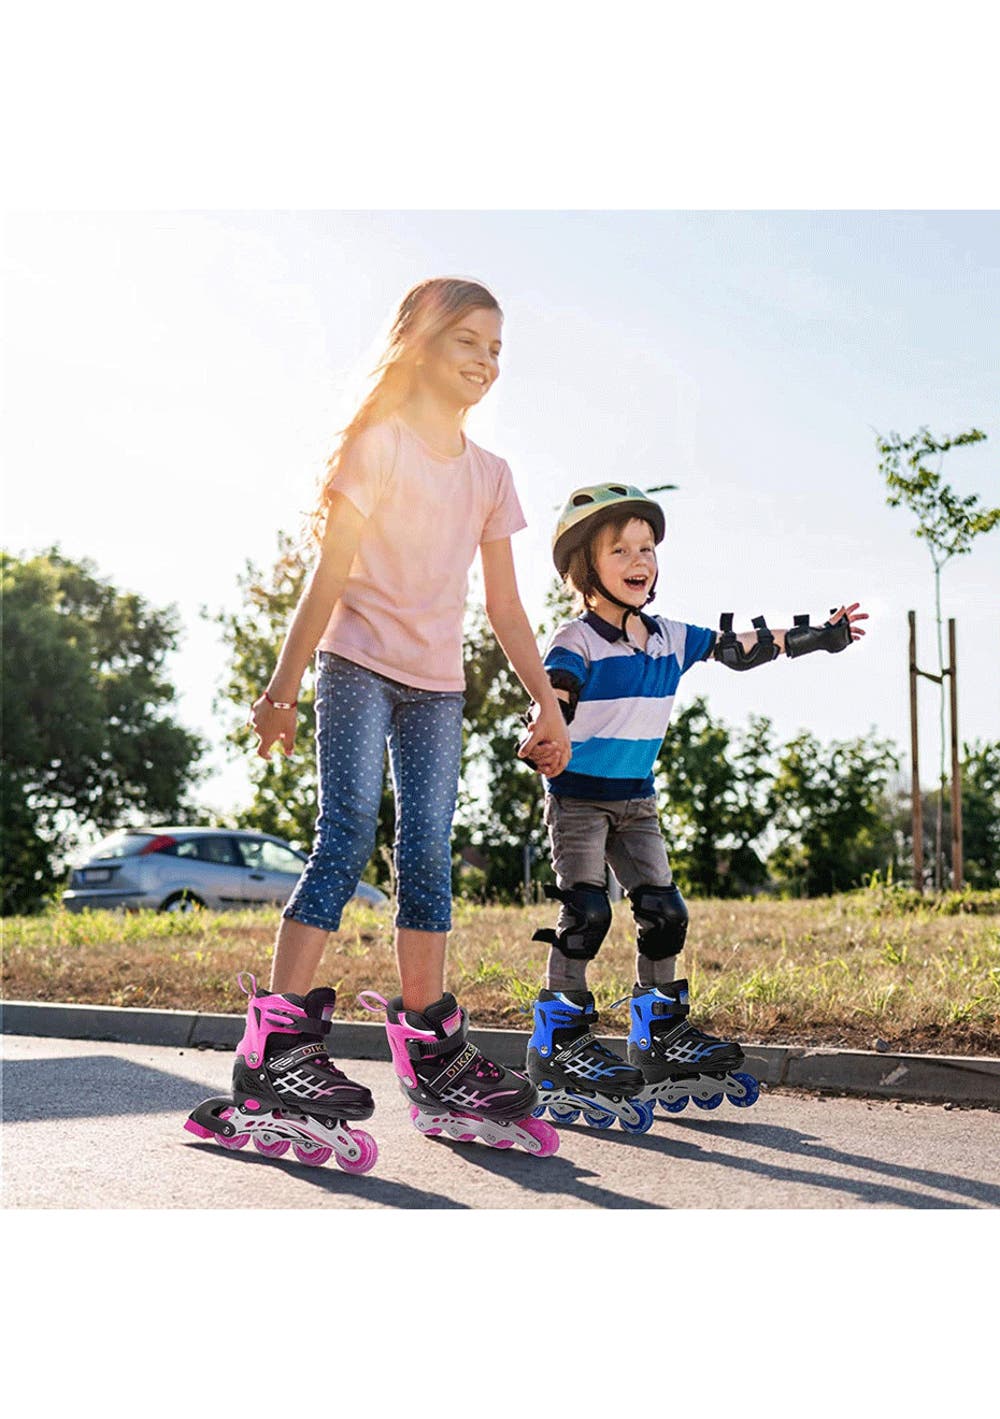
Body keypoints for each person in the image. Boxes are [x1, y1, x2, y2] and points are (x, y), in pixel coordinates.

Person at [186, 278, 570, 1169]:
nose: (485, 361)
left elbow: (506, 608)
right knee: (347, 832)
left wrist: (548, 704)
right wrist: (282, 689)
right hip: (355, 664)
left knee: (428, 850)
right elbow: (328, 576)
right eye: (468, 341)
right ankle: (276, 1046)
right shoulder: (379, 445)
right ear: (423, 345)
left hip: (438, 687)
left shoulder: (490, 474)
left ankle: (431, 1045)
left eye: (496, 348)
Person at [519, 483, 867, 1132]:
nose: (639, 560)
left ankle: (658, 1033)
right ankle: (558, 1042)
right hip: (579, 800)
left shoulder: (669, 638)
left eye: (647, 548)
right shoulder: (578, 638)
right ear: (584, 567)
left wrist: (821, 635)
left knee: (664, 912)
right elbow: (555, 693)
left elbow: (738, 645)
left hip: (637, 801)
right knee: (586, 914)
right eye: (620, 549)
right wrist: (543, 729)